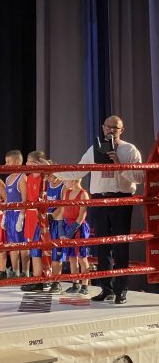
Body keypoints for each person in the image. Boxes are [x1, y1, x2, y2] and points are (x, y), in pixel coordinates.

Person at [56, 115, 143, 304]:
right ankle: (106, 289)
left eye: (115, 127)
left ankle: (121, 290)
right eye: (108, 126)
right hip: (99, 200)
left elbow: (139, 178)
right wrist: (53, 170)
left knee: (120, 245)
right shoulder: (93, 149)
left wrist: (120, 166)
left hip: (120, 200)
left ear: (122, 130)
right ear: (103, 128)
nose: (111, 130)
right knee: (102, 245)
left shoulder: (129, 149)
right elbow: (77, 171)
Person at [22, 164, 65, 293]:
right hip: (42, 222)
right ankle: (37, 281)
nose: (48, 177)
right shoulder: (45, 184)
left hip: (56, 222)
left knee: (56, 253)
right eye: (47, 175)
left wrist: (52, 216)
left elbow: (64, 206)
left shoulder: (63, 186)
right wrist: (41, 215)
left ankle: (56, 282)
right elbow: (39, 201)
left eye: (50, 174)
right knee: (36, 250)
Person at [59, 179, 91, 295]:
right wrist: (61, 231)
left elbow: (82, 216)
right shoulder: (67, 192)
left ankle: (85, 285)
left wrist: (69, 233)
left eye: (67, 180)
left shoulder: (83, 194)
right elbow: (62, 212)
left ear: (73, 180)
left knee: (82, 257)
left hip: (79, 228)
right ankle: (75, 284)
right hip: (67, 225)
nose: (65, 182)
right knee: (72, 258)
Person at [2, 150, 28, 278]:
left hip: (19, 214)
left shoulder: (22, 177)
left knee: (22, 245)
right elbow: (7, 198)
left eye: (8, 162)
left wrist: (21, 217)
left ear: (17, 162)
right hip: (9, 214)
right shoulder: (7, 178)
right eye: (5, 162)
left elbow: (25, 200)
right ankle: (15, 271)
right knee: (12, 244)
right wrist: (4, 215)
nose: (6, 164)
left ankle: (25, 272)